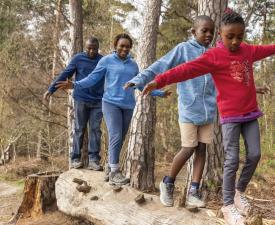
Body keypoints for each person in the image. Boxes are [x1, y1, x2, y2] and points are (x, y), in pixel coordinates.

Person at [142, 9, 275, 225]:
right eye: (229, 37)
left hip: (250, 113)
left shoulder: (248, 51)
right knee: (231, 159)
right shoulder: (214, 56)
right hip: (230, 117)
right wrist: (160, 80)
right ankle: (227, 204)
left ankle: (238, 192)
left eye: (239, 37)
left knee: (255, 155)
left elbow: (270, 48)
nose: (234, 41)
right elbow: (186, 69)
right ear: (220, 35)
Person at [124, 15, 216, 208]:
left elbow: (226, 77)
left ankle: (194, 191)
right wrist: (139, 80)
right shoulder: (184, 49)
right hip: (189, 109)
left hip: (208, 111)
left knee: (202, 149)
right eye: (204, 30)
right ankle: (167, 183)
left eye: (211, 31)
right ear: (193, 32)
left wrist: (248, 87)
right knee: (189, 148)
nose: (208, 34)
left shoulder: (214, 53)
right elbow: (161, 65)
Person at [55, 33, 169, 185]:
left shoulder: (133, 64)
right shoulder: (106, 60)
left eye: (127, 46)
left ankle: (110, 167)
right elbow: (92, 78)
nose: (124, 49)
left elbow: (140, 85)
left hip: (128, 106)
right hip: (110, 103)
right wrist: (75, 85)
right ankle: (115, 172)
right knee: (115, 135)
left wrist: (159, 93)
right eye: (122, 45)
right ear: (116, 45)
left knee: (120, 138)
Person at [43, 37, 104, 170]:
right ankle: (75, 158)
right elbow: (65, 74)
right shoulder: (78, 59)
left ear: (98, 48)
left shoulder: (102, 60)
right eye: (89, 48)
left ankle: (93, 160)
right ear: (85, 47)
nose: (92, 51)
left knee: (95, 130)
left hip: (98, 101)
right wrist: (51, 89)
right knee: (79, 129)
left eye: (94, 48)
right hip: (81, 99)